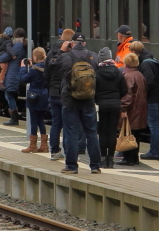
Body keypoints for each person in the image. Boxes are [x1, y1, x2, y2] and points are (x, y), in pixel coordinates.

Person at [57, 35, 101, 174]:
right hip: (88, 100)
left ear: (72, 44)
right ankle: (95, 166)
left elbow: (57, 70)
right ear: (85, 43)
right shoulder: (93, 56)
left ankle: (71, 166)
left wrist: (62, 51)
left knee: (71, 133)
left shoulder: (66, 57)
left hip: (70, 100)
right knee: (92, 133)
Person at [94, 47, 127, 169]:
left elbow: (93, 90)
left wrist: (97, 99)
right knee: (112, 132)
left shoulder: (97, 73)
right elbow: (124, 90)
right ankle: (111, 160)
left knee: (102, 132)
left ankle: (103, 159)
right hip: (115, 105)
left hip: (101, 106)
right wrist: (117, 98)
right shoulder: (118, 72)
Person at [132, 41, 159, 161]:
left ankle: (154, 152)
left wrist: (143, 94)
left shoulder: (145, 64)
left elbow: (149, 82)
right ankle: (154, 151)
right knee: (154, 125)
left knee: (153, 125)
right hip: (154, 97)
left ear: (135, 51)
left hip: (151, 98)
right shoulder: (150, 59)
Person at [45, 29, 75, 160]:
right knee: (68, 123)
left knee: (56, 123)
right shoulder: (70, 55)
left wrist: (50, 87)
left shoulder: (51, 53)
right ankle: (69, 152)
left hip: (53, 92)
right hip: (66, 93)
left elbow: (46, 74)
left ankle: (54, 151)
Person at [118, 53, 147, 165]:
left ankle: (128, 159)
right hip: (140, 109)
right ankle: (134, 158)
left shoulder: (127, 76)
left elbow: (127, 94)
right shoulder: (140, 75)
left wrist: (123, 109)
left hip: (131, 110)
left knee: (127, 133)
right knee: (135, 135)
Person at [0, 28, 26, 126]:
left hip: (12, 74)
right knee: (9, 95)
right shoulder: (21, 45)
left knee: (9, 95)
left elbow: (6, 57)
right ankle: (14, 117)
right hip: (13, 73)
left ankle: (14, 118)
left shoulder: (17, 46)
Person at [21, 48, 49, 153]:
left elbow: (24, 79)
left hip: (34, 96)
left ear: (35, 57)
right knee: (41, 120)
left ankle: (33, 145)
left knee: (33, 121)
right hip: (44, 96)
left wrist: (23, 68)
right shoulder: (47, 68)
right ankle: (44, 145)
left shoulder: (33, 70)